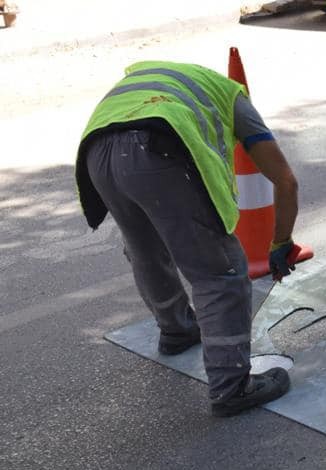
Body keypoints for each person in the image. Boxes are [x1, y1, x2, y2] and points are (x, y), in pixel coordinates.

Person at [75, 60, 302, 417]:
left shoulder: (157, 79)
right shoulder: (232, 97)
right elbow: (285, 180)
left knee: (145, 249)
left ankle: (177, 331)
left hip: (97, 151)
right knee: (219, 270)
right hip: (154, 147)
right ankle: (232, 386)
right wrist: (281, 242)